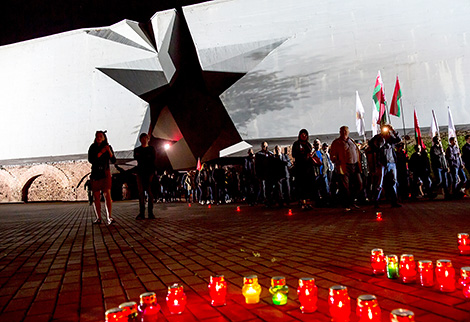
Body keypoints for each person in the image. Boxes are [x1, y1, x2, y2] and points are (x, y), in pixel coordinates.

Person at [330, 126, 363, 211]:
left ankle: (352, 200)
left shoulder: (351, 141)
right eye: (342, 131)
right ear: (340, 132)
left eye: (346, 130)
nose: (344, 132)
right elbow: (332, 155)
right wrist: (336, 160)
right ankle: (347, 204)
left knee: (359, 184)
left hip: (354, 165)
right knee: (345, 187)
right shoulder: (336, 142)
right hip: (344, 166)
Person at [369, 124, 402, 208]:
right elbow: (372, 144)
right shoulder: (378, 137)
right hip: (381, 163)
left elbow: (398, 140)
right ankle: (376, 202)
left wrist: (393, 131)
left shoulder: (391, 138)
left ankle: (394, 201)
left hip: (391, 162)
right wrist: (381, 138)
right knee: (379, 183)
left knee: (393, 182)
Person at [88, 130, 116, 225]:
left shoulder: (108, 147)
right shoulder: (92, 147)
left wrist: (108, 151)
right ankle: (99, 217)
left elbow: (113, 160)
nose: (99, 137)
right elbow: (91, 160)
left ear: (104, 137)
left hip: (105, 172)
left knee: (107, 194)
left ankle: (109, 217)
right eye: (97, 136)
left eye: (101, 136)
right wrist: (101, 152)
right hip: (96, 173)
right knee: (96, 196)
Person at [134, 133, 156, 219]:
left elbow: (153, 161)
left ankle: (150, 212)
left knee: (150, 193)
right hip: (140, 173)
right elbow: (137, 160)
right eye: (142, 138)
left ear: (148, 139)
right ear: (140, 140)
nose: (144, 140)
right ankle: (141, 213)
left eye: (145, 138)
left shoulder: (151, 149)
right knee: (141, 193)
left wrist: (153, 173)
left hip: (149, 173)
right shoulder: (137, 150)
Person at [292, 129, 314, 209]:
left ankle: (308, 202)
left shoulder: (308, 144)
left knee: (308, 186)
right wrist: (303, 155)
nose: (304, 136)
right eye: (302, 135)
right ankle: (302, 202)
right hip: (300, 169)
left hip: (308, 168)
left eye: (305, 135)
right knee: (301, 186)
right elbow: (294, 154)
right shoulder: (296, 144)